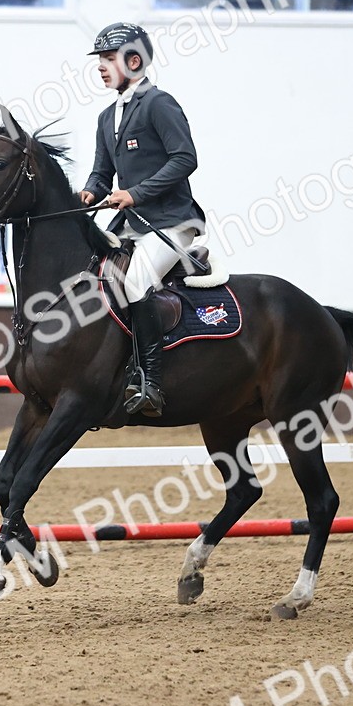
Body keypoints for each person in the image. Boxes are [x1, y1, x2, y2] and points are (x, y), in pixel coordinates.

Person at [80, 22, 205, 418]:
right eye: (99, 59)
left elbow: (186, 159)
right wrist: (88, 192)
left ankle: (150, 382)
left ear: (134, 61)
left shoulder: (158, 103)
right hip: (132, 226)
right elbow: (102, 174)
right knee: (92, 278)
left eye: (108, 59)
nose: (101, 67)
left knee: (135, 282)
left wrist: (135, 193)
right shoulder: (106, 117)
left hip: (172, 223)